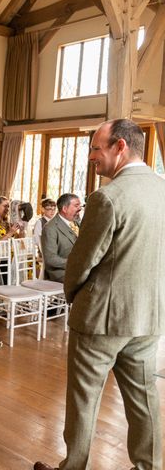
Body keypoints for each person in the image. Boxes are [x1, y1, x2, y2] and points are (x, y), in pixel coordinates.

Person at [33, 120, 165, 469]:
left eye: (96, 147)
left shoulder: (107, 197)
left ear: (120, 146)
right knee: (143, 400)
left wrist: (73, 294)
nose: (92, 156)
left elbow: (81, 261)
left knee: (84, 399)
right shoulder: (162, 190)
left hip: (101, 319)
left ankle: (74, 466)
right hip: (148, 316)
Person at [40, 193, 81, 283]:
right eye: (76, 206)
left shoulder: (77, 223)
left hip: (79, 269)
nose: (80, 209)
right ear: (65, 209)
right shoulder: (50, 228)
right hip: (60, 273)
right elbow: (51, 259)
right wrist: (76, 264)